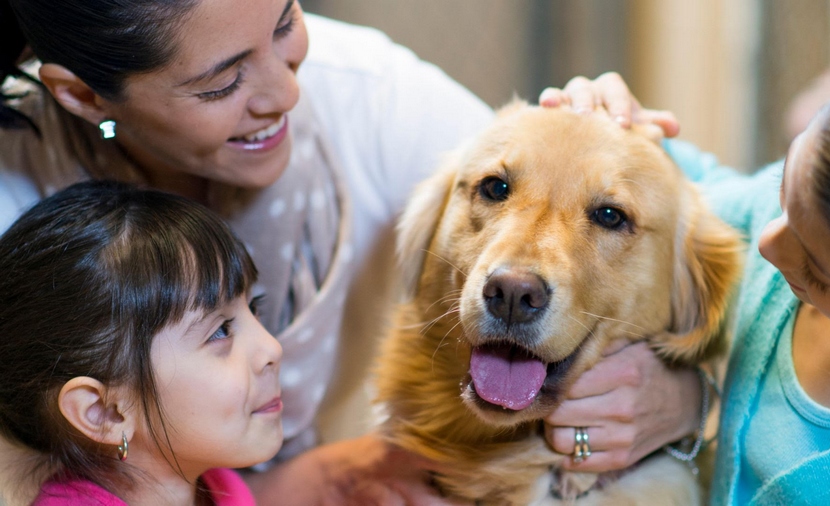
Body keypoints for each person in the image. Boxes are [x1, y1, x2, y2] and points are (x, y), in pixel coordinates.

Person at [0, 0, 695, 504]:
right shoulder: (13, 184)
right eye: (222, 81)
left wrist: (683, 395)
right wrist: (291, 488)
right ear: (85, 96)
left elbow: (554, 214)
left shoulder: (373, 95)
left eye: (284, 23)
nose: (287, 91)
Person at [546, 57, 830, 504]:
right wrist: (624, 127)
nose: (767, 245)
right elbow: (693, 188)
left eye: (817, 270)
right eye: (782, 191)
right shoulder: (765, 223)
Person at [0, 180, 284, 505]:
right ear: (105, 412)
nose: (272, 347)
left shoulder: (224, 488)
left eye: (254, 308)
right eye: (220, 331)